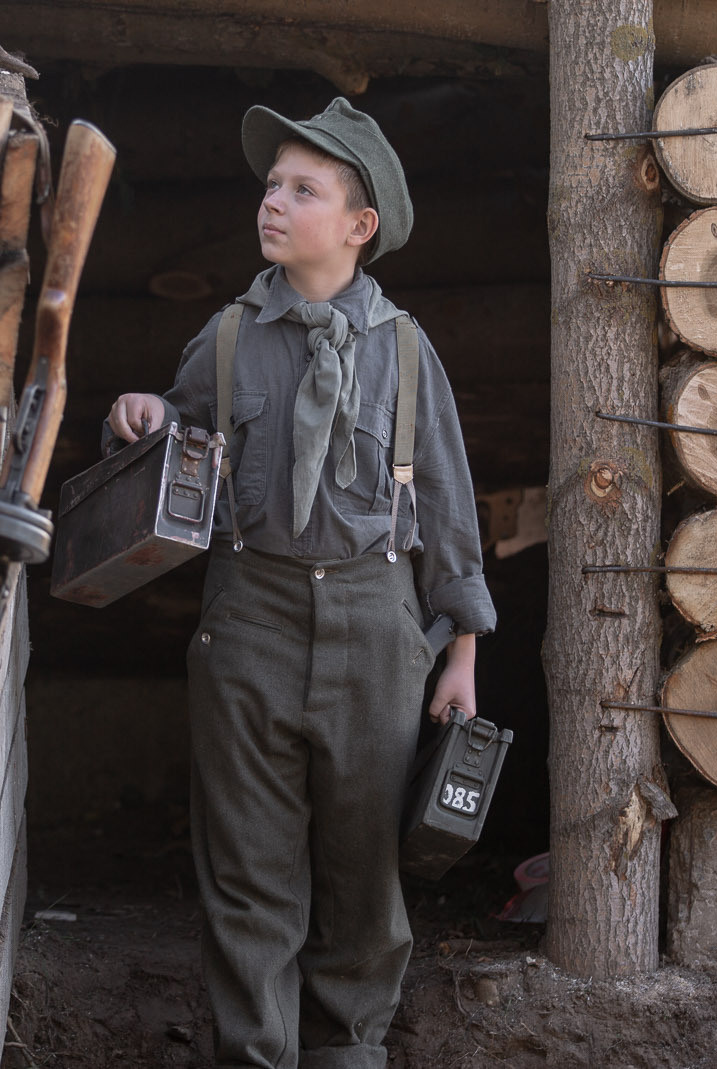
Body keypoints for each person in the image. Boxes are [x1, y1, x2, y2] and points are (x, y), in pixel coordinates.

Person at [107, 97, 496, 1068]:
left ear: (357, 226)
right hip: (250, 620)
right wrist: (147, 411)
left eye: (301, 189)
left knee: (363, 872)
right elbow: (181, 440)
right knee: (248, 868)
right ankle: (254, 1053)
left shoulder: (405, 351)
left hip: (376, 624)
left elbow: (447, 512)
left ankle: (349, 1050)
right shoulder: (229, 337)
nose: (271, 202)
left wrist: (460, 655)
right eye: (271, 185)